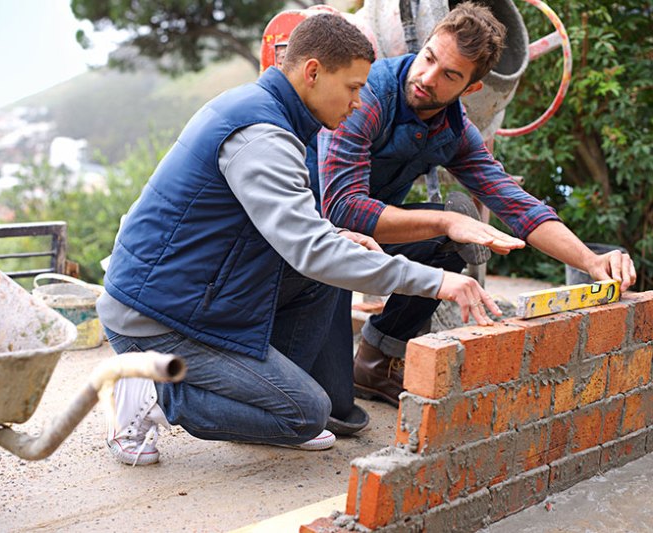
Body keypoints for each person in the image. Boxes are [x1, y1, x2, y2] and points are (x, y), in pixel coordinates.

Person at [97, 13, 501, 467]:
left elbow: (293, 228)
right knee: (307, 415)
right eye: (351, 87)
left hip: (195, 293)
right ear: (312, 73)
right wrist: (438, 281)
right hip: (155, 315)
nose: (357, 101)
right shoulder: (262, 135)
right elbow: (311, 252)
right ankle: (150, 388)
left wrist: (338, 234)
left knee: (324, 278)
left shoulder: (273, 116)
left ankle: (267, 397)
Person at [316, 1, 637, 407]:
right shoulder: (369, 95)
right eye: (429, 58)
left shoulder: (454, 130)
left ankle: (375, 364)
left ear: (470, 89)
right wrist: (446, 220)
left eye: (449, 75)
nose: (427, 78)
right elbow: (342, 208)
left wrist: (590, 261)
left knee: (451, 243)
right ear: (425, 44)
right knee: (327, 410)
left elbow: (518, 206)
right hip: (304, 236)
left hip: (362, 239)